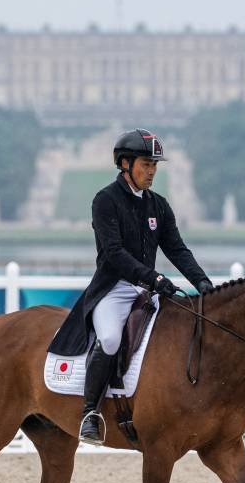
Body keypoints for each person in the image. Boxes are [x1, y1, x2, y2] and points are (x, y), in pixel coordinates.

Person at [48, 129, 213, 445]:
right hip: (114, 289)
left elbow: (176, 249)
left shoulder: (158, 205)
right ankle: (89, 413)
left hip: (146, 291)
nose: (152, 171)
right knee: (110, 338)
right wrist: (154, 278)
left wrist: (202, 282)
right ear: (125, 164)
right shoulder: (106, 201)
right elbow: (114, 253)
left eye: (155, 165)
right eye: (146, 164)